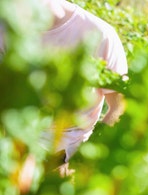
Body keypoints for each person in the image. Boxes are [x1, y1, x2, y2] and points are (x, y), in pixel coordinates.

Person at [1, 0, 128, 176]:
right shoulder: (6, 28)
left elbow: (119, 107)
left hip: (71, 154)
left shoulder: (100, 34)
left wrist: (80, 163)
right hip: (15, 149)